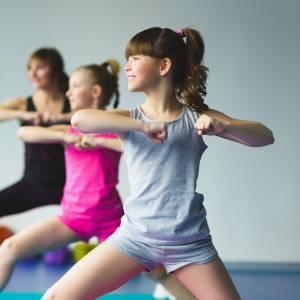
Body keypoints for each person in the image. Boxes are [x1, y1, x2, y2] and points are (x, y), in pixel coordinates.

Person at [41, 27, 274, 300]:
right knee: (55, 297)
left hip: (189, 243)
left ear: (163, 65)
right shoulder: (128, 119)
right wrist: (141, 126)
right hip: (135, 239)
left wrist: (222, 126)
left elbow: (264, 136)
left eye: (135, 58)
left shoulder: (196, 118)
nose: (127, 66)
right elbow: (79, 120)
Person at [0, 60, 124, 290]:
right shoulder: (70, 130)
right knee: (8, 249)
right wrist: (65, 137)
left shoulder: (119, 128)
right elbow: (23, 132)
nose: (68, 92)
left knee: (157, 271)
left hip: (112, 220)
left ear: (95, 92)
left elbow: (136, 146)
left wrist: (96, 140)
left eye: (75, 86)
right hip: (73, 218)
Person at [0, 48, 71, 217]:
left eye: (39, 67)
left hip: (69, 185)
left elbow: (93, 115)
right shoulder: (23, 104)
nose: (33, 73)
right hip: (33, 183)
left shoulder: (72, 102)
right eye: (30, 69)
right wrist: (23, 114)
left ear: (54, 69)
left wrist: (60, 117)